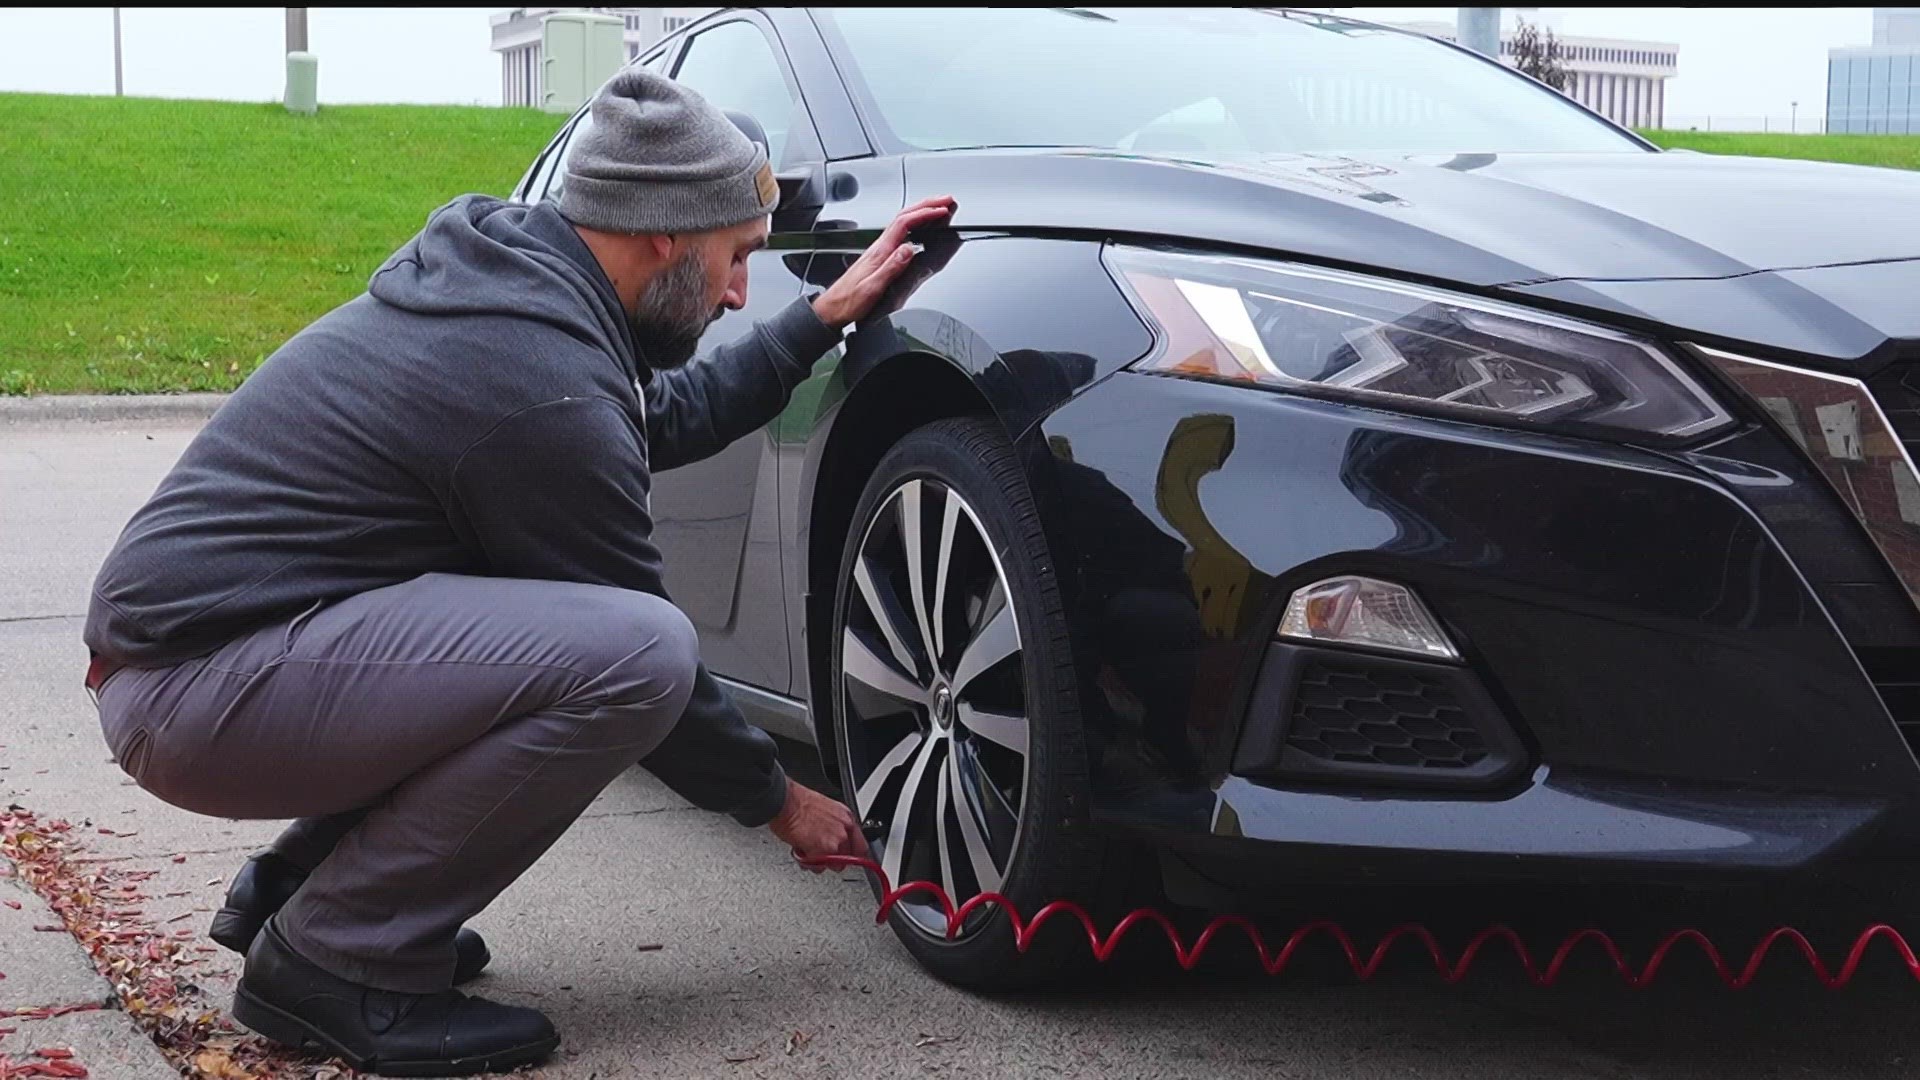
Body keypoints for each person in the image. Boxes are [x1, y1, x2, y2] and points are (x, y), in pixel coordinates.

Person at [81, 67, 956, 1077]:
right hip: (195, 692)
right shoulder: (534, 382)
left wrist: (823, 319)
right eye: (733, 258)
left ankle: (302, 889)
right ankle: (334, 961)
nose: (736, 291)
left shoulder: (526, 294)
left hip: (210, 661)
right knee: (637, 654)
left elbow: (649, 422)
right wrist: (782, 801)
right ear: (664, 236)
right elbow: (646, 659)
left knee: (542, 641)